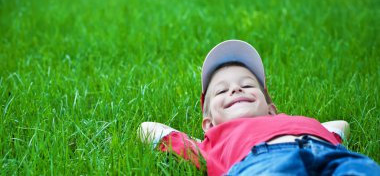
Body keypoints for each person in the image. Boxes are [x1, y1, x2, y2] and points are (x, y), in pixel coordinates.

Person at [138, 40, 380, 175]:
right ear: (209, 125)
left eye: (247, 85)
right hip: (262, 164)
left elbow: (340, 125)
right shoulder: (213, 143)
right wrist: (202, 140)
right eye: (222, 91)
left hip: (334, 156)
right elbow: (147, 128)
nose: (236, 90)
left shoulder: (287, 118)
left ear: (271, 109)